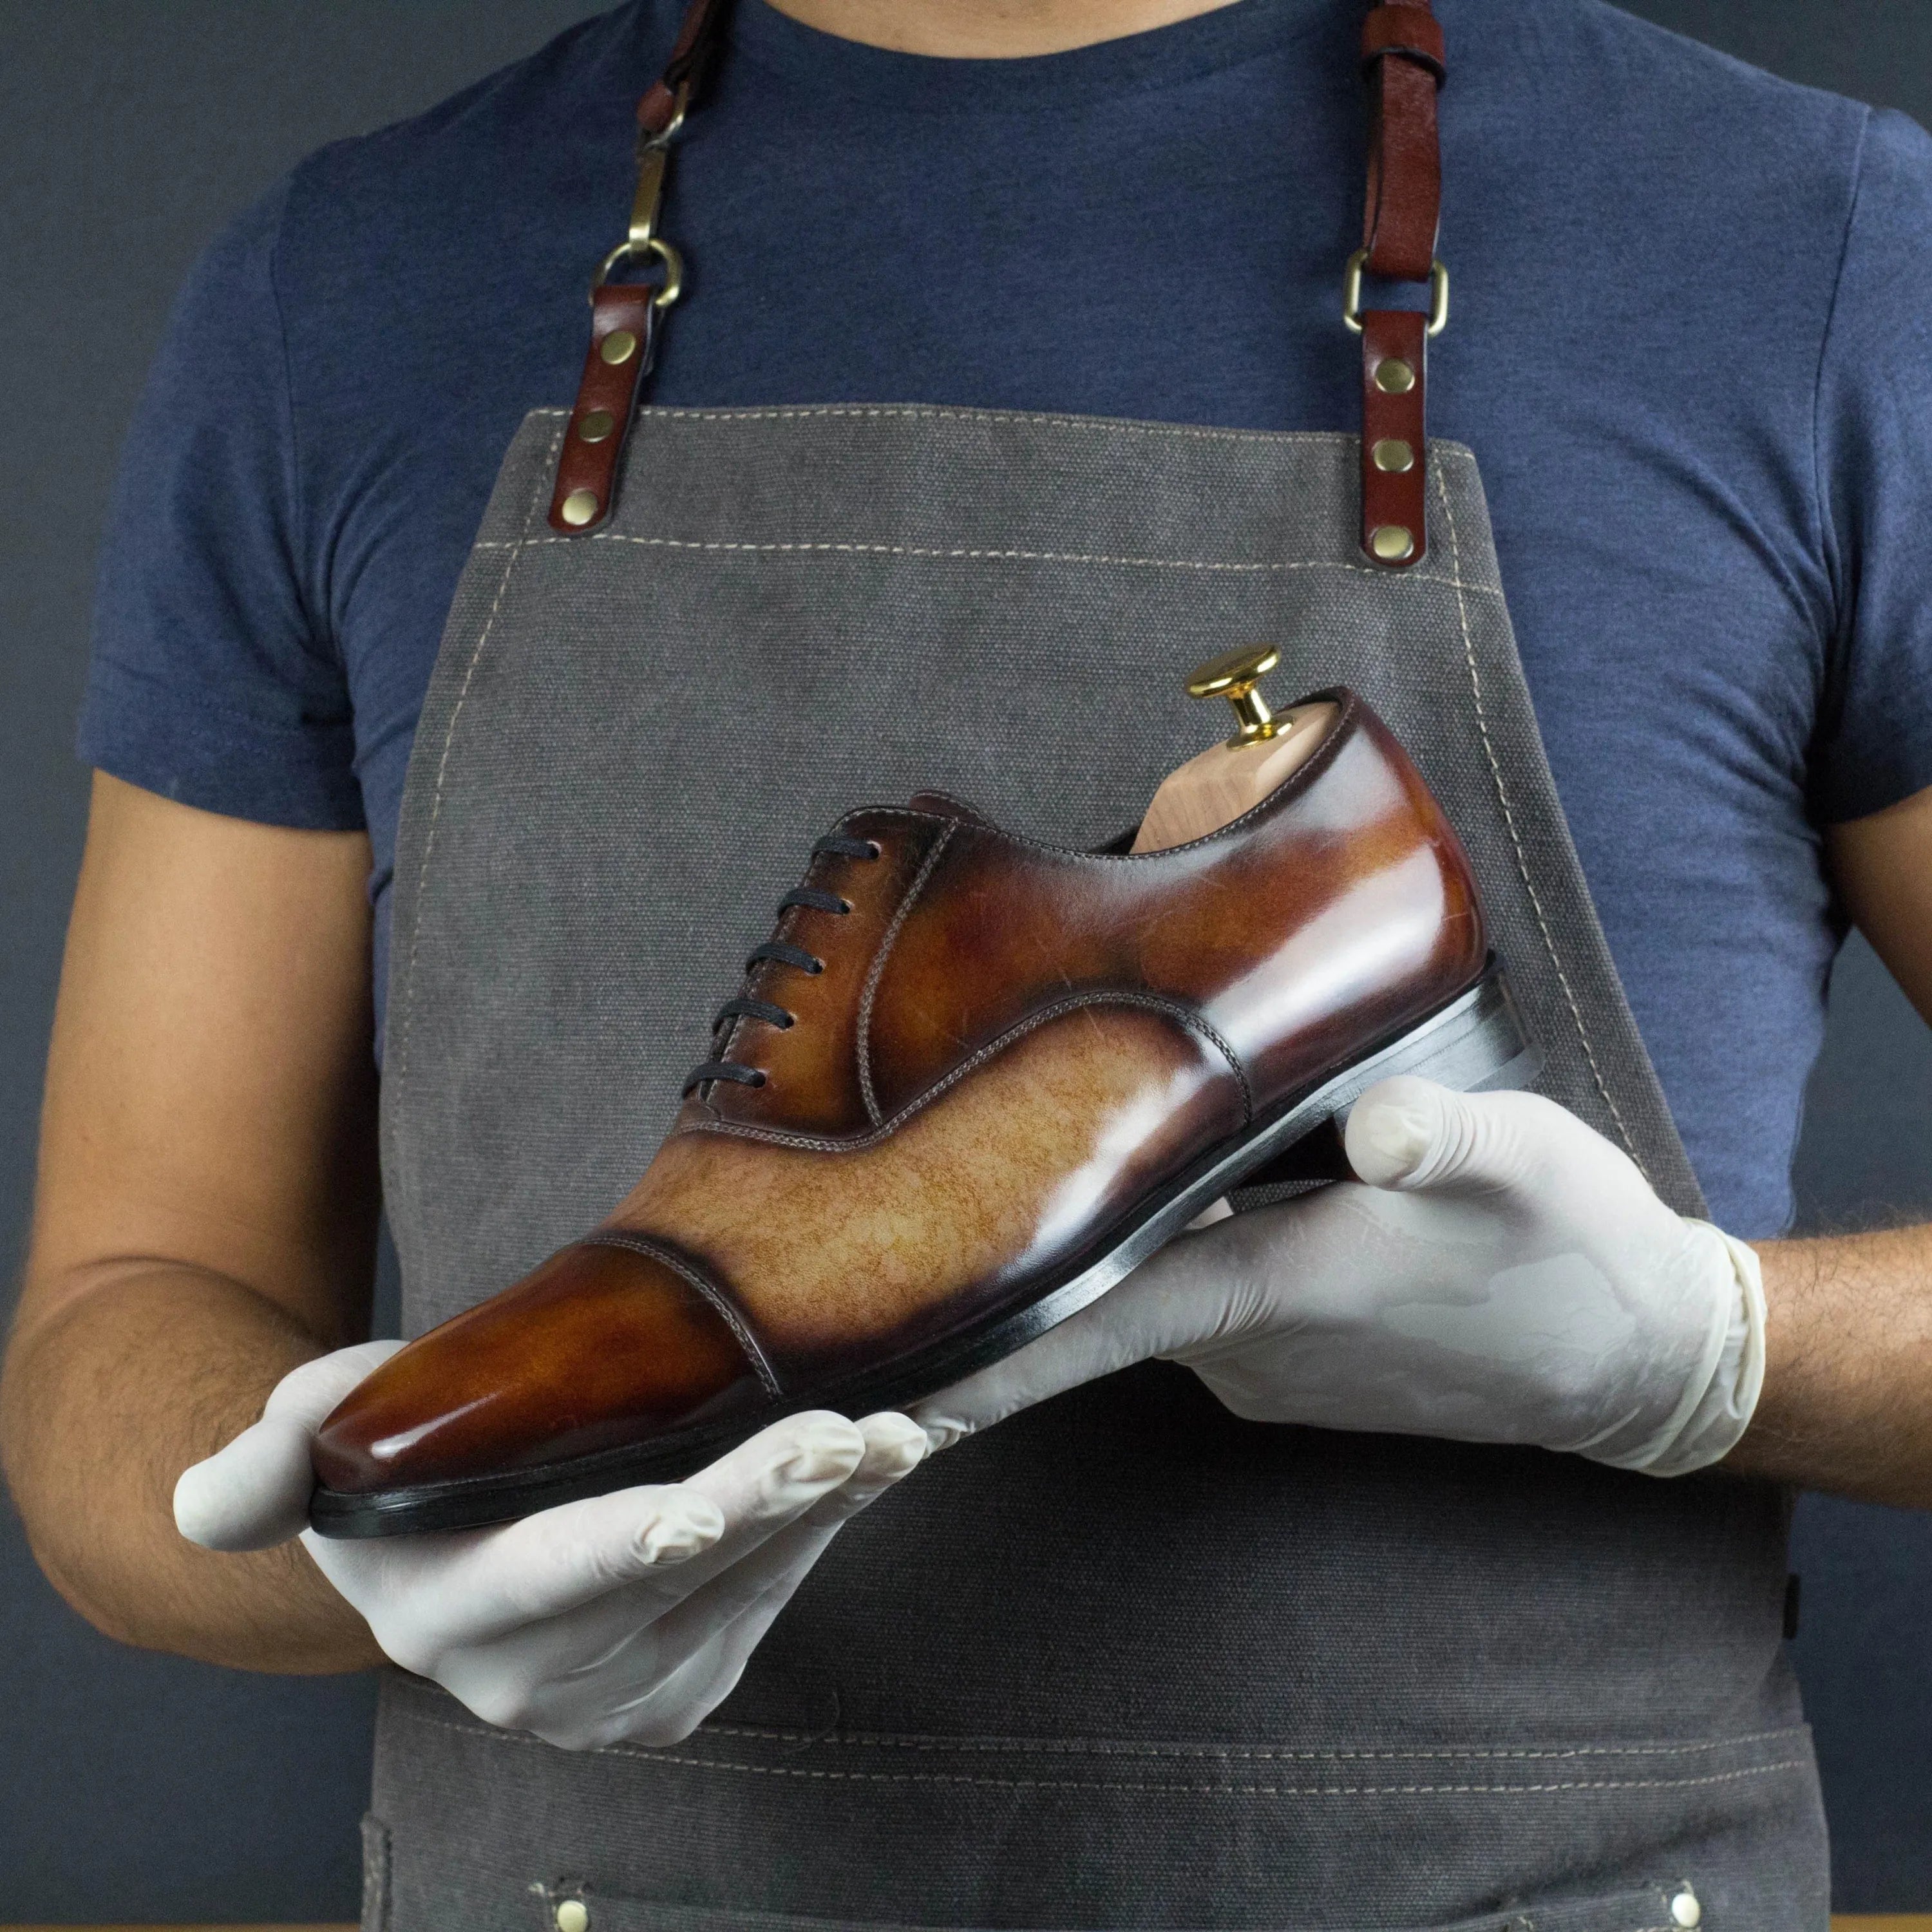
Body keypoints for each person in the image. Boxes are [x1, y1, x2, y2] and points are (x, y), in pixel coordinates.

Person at [5, 0, 1932, 1926]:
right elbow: (130, 1292)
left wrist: (1712, 1356)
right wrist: (340, 1545)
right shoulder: (344, 289)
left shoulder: (1813, 250)